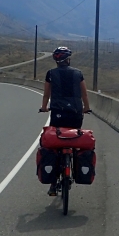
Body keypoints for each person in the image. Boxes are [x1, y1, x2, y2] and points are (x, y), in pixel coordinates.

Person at [39, 46, 92, 196]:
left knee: (54, 145)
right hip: (75, 114)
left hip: (57, 114)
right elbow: (85, 95)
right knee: (74, 140)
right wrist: (86, 108)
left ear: (56, 61)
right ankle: (74, 168)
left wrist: (44, 107)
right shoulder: (78, 73)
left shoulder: (50, 74)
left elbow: (46, 95)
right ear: (68, 60)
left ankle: (53, 184)